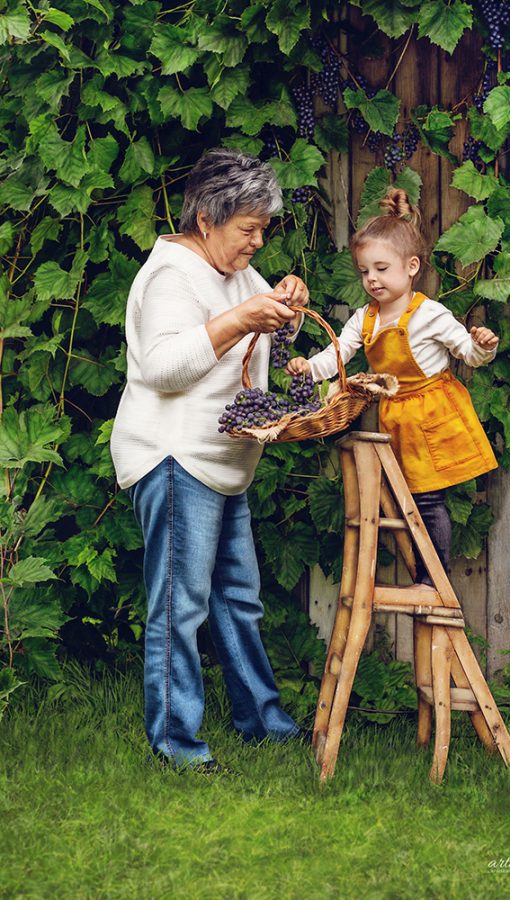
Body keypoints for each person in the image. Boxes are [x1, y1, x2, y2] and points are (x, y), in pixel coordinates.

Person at [110, 148, 309, 771]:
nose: (256, 241)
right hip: (175, 460)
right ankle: (177, 746)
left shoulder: (233, 272)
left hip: (221, 463)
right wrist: (239, 318)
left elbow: (261, 325)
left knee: (237, 598)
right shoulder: (172, 275)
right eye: (246, 228)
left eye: (262, 229)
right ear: (205, 218)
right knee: (181, 606)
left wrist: (286, 306)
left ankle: (263, 724)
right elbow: (166, 369)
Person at [286, 188, 499, 587]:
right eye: (365, 271)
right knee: (405, 502)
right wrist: (307, 369)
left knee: (429, 500)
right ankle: (424, 574)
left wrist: (483, 346)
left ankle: (434, 580)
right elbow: (338, 354)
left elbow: (467, 353)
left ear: (411, 266)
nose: (372, 279)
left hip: (433, 415)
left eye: (381, 269)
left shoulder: (429, 313)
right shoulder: (363, 318)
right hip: (396, 417)